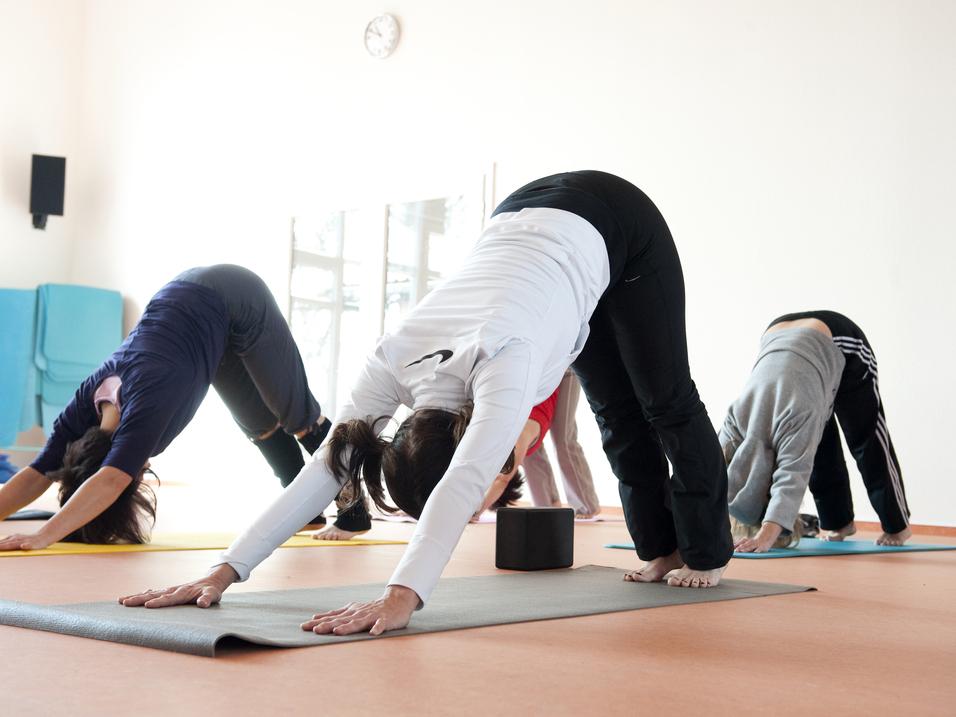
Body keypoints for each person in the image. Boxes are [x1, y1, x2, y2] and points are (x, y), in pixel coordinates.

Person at [119, 171, 733, 636]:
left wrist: (400, 595)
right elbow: (322, 472)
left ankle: (704, 552)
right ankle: (659, 550)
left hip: (617, 219)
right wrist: (224, 571)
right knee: (615, 412)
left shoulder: (505, 362)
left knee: (665, 399)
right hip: (521, 221)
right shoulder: (392, 360)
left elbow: (465, 478)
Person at [0, 264, 368, 549]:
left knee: (298, 415)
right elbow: (37, 472)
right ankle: (309, 512)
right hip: (193, 313)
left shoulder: (145, 411)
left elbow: (111, 478)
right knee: (259, 423)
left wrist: (43, 535)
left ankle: (355, 514)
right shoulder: (83, 411)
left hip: (237, 296)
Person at [721, 312, 910, 553]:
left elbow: (792, 475)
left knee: (866, 436)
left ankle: (897, 525)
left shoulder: (793, 417)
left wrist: (765, 536)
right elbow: (709, 471)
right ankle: (839, 523)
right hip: (778, 334)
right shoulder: (736, 417)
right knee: (811, 442)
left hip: (839, 339)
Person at [520, 369, 601, 518]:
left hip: (564, 368)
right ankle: (545, 504)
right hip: (531, 371)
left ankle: (586, 505)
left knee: (563, 438)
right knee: (528, 443)